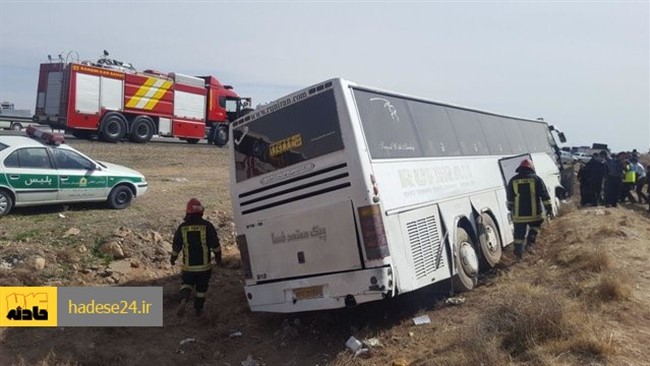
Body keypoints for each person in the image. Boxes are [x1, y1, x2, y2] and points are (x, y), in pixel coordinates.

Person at [171, 198, 222, 316]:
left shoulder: (182, 227)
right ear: (201, 211)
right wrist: (219, 258)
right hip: (204, 267)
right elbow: (215, 245)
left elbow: (176, 246)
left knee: (186, 284)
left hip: (188, 267)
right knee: (201, 290)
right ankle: (198, 310)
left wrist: (173, 259)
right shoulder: (207, 226)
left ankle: (183, 300)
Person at [506, 159, 554, 261]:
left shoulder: (512, 180)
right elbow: (544, 196)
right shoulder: (536, 179)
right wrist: (549, 209)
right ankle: (530, 244)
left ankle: (518, 255)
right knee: (535, 226)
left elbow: (510, 198)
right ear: (531, 168)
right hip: (534, 214)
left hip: (518, 215)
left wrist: (511, 208)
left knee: (518, 235)